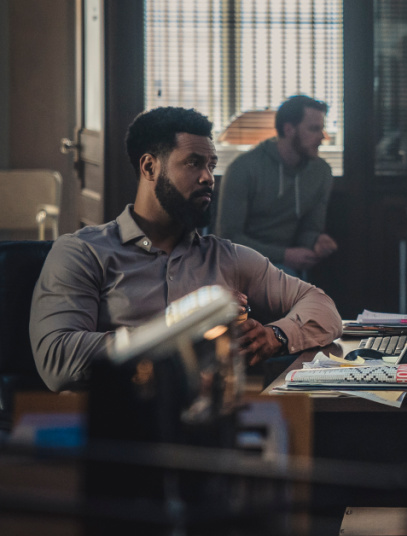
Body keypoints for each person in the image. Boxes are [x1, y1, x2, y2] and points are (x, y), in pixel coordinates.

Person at [30, 106, 342, 392]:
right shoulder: (83, 252)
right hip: (116, 436)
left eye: (211, 165)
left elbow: (322, 306)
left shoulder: (228, 257)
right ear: (150, 167)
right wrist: (186, 323)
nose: (208, 177)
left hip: (209, 430)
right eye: (193, 163)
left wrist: (277, 336)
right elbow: (58, 359)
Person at [215, 95, 337, 276]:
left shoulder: (321, 172)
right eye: (314, 129)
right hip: (242, 263)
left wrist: (317, 241)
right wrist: (284, 255)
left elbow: (310, 228)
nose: (322, 137)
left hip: (289, 264)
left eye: (322, 129)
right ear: (289, 130)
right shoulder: (243, 168)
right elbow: (228, 239)